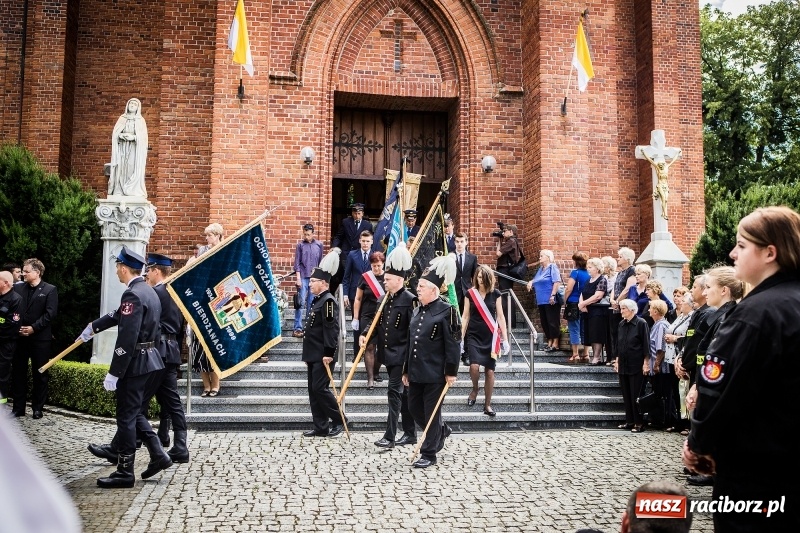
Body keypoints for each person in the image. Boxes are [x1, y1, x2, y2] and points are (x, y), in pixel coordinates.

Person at [684, 206, 800, 532]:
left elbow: (719, 389)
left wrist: (699, 443)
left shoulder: (755, 314)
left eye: (742, 245)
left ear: (769, 253)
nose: (733, 253)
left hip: (756, 472)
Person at [91, 247, 171, 488]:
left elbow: (127, 336)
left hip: (135, 363)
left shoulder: (133, 294)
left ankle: (125, 471)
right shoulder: (147, 290)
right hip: (150, 360)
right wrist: (93, 327)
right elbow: (119, 316)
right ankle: (158, 454)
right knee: (135, 412)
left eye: (117, 267)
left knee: (126, 417)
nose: (116, 270)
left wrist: (115, 372)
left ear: (124, 268)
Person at [683, 265, 744, 487]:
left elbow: (716, 359)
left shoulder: (728, 317)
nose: (705, 292)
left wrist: (700, 386)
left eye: (709, 287)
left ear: (725, 290)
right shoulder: (721, 316)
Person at [402, 254, 460, 468]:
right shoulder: (417, 310)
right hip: (416, 372)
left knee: (431, 412)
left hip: (436, 373)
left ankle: (429, 453)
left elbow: (454, 344)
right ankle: (442, 430)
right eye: (418, 285)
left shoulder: (448, 311)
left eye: (423, 286)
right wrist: (406, 370)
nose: (418, 288)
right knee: (414, 408)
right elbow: (410, 342)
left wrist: (451, 371)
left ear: (434, 290)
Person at [366, 242, 418, 448]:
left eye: (387, 279)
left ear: (398, 280)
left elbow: (413, 332)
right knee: (404, 395)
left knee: (393, 392)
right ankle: (411, 433)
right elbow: (376, 322)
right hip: (388, 353)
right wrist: (364, 334)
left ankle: (389, 436)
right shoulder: (384, 298)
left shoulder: (410, 299)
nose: (384, 282)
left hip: (402, 356)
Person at [144, 253, 189, 463]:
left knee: (136, 401)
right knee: (172, 401)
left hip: (156, 350)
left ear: (156, 271)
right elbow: (180, 328)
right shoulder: (176, 293)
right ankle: (179, 445)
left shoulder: (155, 293)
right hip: (171, 351)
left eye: (149, 270)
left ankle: (123, 446)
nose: (147, 274)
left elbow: (147, 324)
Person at [301, 250, 347, 438]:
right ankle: (320, 426)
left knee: (320, 388)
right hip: (313, 353)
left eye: (313, 281)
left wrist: (329, 352)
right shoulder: (317, 301)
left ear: (324, 283)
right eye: (310, 281)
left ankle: (339, 419)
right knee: (313, 391)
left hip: (323, 354)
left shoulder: (328, 302)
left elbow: (331, 330)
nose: (310, 283)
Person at [12, 258, 58, 419]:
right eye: (23, 271)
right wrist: (17, 327)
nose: (23, 274)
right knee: (18, 372)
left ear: (37, 272)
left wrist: (33, 328)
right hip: (20, 337)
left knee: (40, 373)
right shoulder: (18, 289)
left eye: (26, 271)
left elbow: (50, 314)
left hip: (40, 338)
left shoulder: (50, 289)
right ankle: (18, 408)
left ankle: (38, 408)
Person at [462, 264, 510, 416]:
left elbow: (501, 317)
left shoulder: (495, 294)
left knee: (489, 372)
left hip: (491, 336)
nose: (480, 280)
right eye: (478, 277)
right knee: (474, 366)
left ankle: (487, 405)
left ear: (489, 279)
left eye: (483, 278)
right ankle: (475, 389)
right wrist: (461, 339)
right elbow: (465, 316)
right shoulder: (470, 294)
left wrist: (505, 339)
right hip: (474, 335)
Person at [187, 223, 223, 397]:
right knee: (198, 345)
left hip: (216, 303)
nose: (207, 239)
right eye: (206, 236)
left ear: (218, 236)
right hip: (200, 301)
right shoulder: (201, 252)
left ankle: (215, 384)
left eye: (210, 235)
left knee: (212, 345)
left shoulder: (224, 251)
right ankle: (205, 385)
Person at [674, 275, 712, 435]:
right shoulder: (698, 312)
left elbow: (700, 344)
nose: (691, 290)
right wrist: (680, 359)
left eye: (694, 287)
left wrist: (686, 364)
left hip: (697, 367)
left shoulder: (708, 313)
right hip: (690, 365)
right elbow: (689, 340)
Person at [614, 299, 650, 433]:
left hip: (637, 364)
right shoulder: (621, 324)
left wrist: (646, 363)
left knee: (636, 394)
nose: (621, 311)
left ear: (632, 310)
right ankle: (629, 421)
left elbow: (646, 344)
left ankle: (639, 423)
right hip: (624, 363)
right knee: (626, 394)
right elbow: (618, 344)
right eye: (621, 308)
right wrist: (617, 360)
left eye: (624, 308)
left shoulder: (641, 323)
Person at [352, 251, 385, 389]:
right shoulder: (366, 277)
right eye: (373, 266)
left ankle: (376, 370)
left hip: (383, 315)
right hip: (367, 315)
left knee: (382, 347)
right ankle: (370, 378)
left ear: (383, 264)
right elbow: (358, 298)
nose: (376, 268)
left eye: (378, 265)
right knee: (369, 346)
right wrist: (355, 317)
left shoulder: (388, 276)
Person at [663, 292, 693, 433]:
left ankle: (686, 423)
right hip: (671, 357)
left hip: (681, 356)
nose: (680, 304)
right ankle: (678, 421)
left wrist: (675, 338)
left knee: (683, 390)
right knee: (675, 391)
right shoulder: (680, 316)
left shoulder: (692, 317)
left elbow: (688, 337)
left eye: (683, 302)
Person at [108, 97, 148, 197]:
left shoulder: (140, 120)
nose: (132, 105)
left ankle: (131, 189)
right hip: (122, 147)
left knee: (131, 167)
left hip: (134, 148)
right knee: (120, 168)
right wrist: (120, 135)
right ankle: (119, 190)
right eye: (131, 104)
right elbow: (115, 133)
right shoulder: (122, 118)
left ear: (138, 107)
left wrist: (133, 137)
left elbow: (143, 137)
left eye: (135, 104)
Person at [527, 249, 562, 351]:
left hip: (550, 299)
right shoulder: (541, 269)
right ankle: (549, 342)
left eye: (541, 256)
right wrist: (530, 282)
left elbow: (556, 281)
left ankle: (555, 343)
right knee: (544, 322)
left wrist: (553, 295)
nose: (539, 258)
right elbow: (536, 279)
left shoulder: (552, 267)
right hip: (541, 300)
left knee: (552, 321)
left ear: (548, 257)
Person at [331, 202, 370, 293]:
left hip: (359, 254)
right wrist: (334, 247)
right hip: (347, 254)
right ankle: (345, 295)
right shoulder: (346, 222)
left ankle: (356, 294)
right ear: (352, 213)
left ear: (362, 214)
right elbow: (338, 236)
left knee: (357, 275)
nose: (357, 215)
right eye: (355, 213)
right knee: (346, 275)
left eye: (359, 213)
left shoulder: (367, 225)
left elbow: (370, 240)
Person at [293, 223, 323, 338]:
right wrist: (298, 278)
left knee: (312, 303)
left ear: (313, 233)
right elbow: (297, 263)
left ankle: (309, 327)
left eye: (309, 234)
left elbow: (320, 263)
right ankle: (298, 328)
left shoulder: (319, 245)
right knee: (300, 303)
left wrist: (320, 279)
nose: (307, 237)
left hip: (314, 278)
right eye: (305, 234)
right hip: (303, 277)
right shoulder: (300, 245)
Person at [578, 257, 610, 365]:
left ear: (597, 268)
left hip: (598, 312)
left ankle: (597, 357)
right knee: (590, 334)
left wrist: (584, 303)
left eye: (590, 267)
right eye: (588, 267)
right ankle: (594, 356)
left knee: (597, 334)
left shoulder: (602, 280)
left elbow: (598, 296)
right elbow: (583, 293)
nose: (588, 269)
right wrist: (580, 303)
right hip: (588, 311)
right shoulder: (588, 280)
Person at [609, 247, 637, 367]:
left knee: (622, 333)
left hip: (624, 305)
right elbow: (615, 288)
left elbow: (628, 288)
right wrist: (612, 299)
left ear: (627, 258)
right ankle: (615, 357)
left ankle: (620, 358)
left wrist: (618, 301)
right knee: (615, 332)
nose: (618, 259)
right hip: (616, 305)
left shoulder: (632, 270)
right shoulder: (620, 272)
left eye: (620, 257)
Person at [645, 299, 669, 427]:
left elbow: (660, 347)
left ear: (656, 311)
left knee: (660, 393)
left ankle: (661, 420)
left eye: (650, 308)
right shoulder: (656, 324)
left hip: (660, 366)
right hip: (655, 364)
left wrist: (656, 364)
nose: (648, 310)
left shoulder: (661, 325)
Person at [563, 252, 589, 363]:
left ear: (576, 262)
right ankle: (586, 354)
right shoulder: (589, 273)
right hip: (586, 303)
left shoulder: (575, 273)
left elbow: (569, 288)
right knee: (585, 329)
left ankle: (575, 354)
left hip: (573, 302)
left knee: (574, 328)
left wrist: (564, 300)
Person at [0, 271, 22, 404]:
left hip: (5, 344)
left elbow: (12, 326)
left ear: (5, 283)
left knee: (2, 374)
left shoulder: (15, 299)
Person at [495, 223, 522, 328]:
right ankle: (510, 322)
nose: (503, 232)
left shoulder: (511, 241)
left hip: (505, 270)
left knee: (505, 296)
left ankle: (507, 323)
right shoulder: (512, 242)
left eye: (505, 231)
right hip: (507, 270)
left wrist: (499, 241)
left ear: (511, 232)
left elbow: (498, 254)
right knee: (507, 295)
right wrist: (500, 239)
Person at [342, 230, 374, 310]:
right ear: (360, 241)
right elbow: (346, 276)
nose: (365, 243)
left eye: (367, 241)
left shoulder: (375, 256)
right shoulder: (352, 255)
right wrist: (345, 294)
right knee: (355, 319)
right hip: (354, 293)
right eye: (363, 241)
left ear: (372, 242)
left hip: (370, 294)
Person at [453, 232, 477, 316]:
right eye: (457, 241)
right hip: (454, 291)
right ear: (454, 242)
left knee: (466, 315)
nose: (459, 244)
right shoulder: (449, 256)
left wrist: (474, 289)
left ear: (466, 242)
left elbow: (475, 276)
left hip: (467, 290)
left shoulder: (472, 258)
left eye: (462, 241)